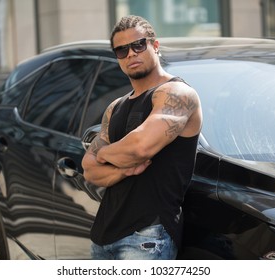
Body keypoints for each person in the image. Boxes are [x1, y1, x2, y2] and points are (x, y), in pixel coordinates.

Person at [82, 15, 203, 260]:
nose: (131, 54)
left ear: (154, 46)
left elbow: (139, 148)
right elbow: (89, 170)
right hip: (103, 235)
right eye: (121, 50)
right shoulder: (114, 107)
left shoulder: (177, 94)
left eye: (138, 45)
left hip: (148, 235)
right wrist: (123, 171)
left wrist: (103, 152)